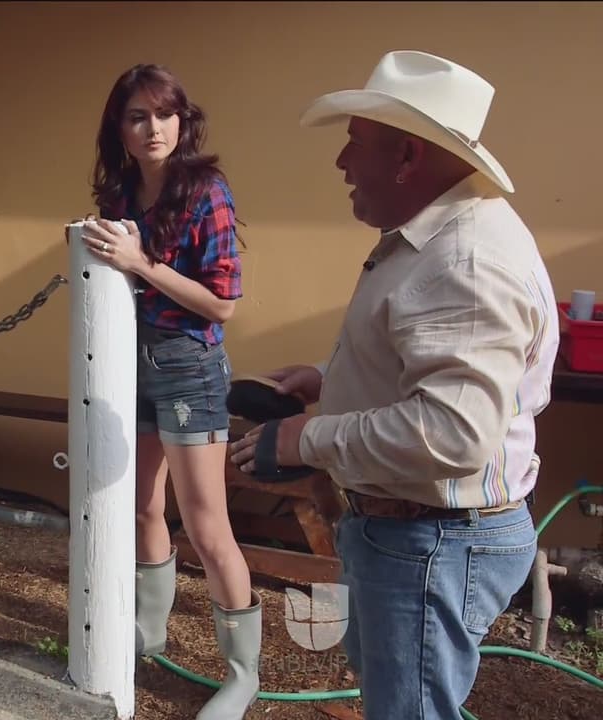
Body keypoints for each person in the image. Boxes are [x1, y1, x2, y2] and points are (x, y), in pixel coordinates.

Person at [229, 50, 558, 720]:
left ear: (407, 157)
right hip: (421, 534)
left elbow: (452, 434)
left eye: (354, 145)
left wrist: (306, 439)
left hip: (432, 540)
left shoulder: (463, 263)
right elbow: (436, 366)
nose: (341, 164)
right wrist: (332, 377)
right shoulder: (440, 241)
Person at [77, 63, 258, 720]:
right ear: (119, 130)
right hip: (133, 364)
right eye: (136, 116)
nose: (152, 128)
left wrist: (138, 265)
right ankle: (147, 635)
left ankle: (242, 674)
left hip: (189, 368)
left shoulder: (206, 191)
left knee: (208, 527)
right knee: (143, 509)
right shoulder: (124, 194)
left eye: (163, 114)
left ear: (182, 121)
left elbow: (223, 305)